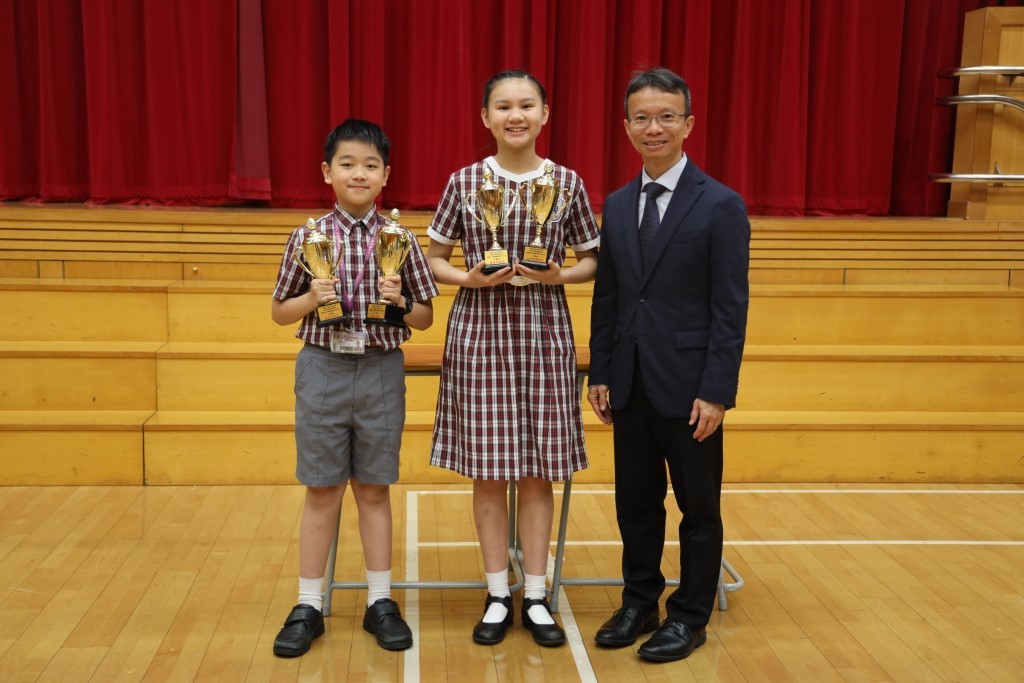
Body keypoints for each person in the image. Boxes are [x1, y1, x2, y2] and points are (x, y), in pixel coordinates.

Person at [427, 70, 600, 647]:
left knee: (537, 470)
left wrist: (558, 275)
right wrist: (468, 280)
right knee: (488, 470)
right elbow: (435, 258)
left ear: (545, 114)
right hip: (479, 331)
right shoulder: (465, 181)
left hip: (544, 330)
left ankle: (537, 594)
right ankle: (498, 592)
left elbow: (593, 259)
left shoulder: (567, 183)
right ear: (486, 117)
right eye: (503, 106)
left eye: (527, 105)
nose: (516, 115)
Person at [588, 67, 750, 662]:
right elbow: (609, 296)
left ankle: (689, 614)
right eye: (641, 117)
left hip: (690, 389)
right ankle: (639, 601)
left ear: (688, 124)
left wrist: (717, 391)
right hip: (629, 383)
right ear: (626, 126)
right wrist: (600, 371)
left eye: (665, 117)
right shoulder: (616, 204)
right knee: (635, 502)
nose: (653, 127)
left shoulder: (721, 204)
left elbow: (730, 307)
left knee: (698, 508)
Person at [269, 118, 438, 657]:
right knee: (321, 489)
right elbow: (280, 312)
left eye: (370, 165)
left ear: (386, 175)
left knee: (373, 488)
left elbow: (425, 318)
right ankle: (308, 604)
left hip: (382, 369)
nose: (359, 173)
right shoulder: (308, 237)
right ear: (327, 172)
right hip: (322, 367)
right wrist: (312, 297)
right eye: (347, 164)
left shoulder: (401, 239)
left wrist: (400, 300)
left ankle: (380, 601)